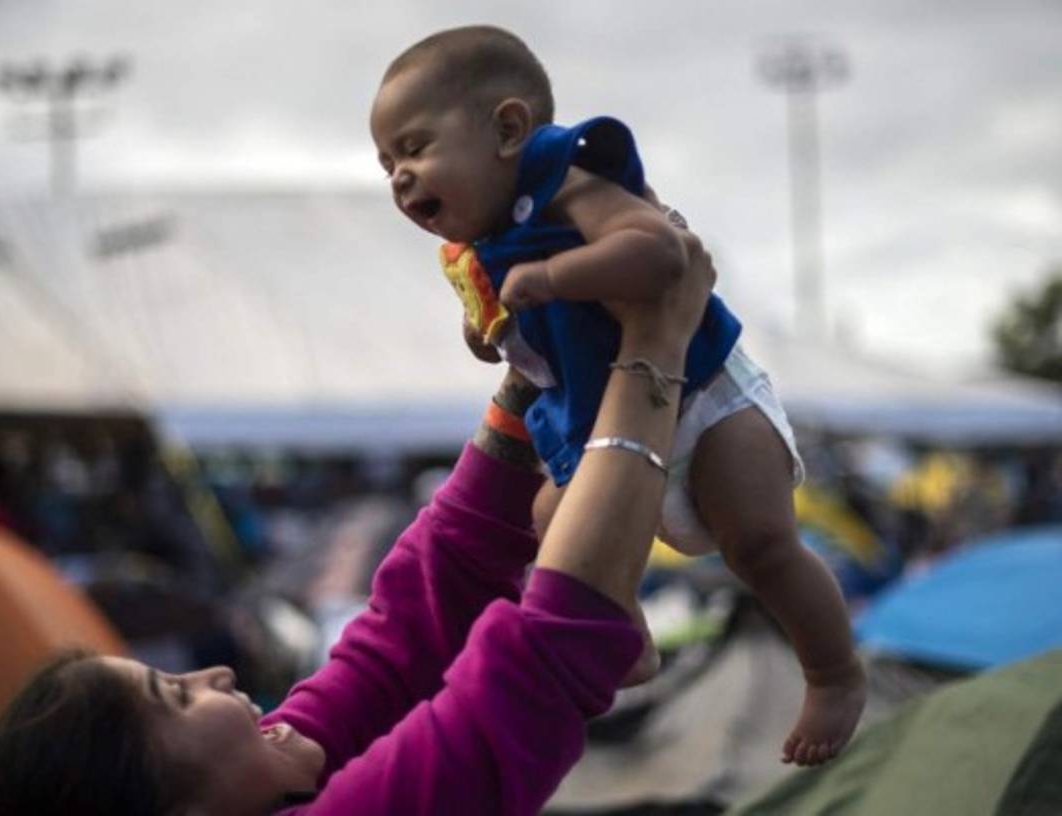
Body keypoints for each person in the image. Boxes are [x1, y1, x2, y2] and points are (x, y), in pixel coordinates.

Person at [0, 224, 716, 814]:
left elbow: (413, 621)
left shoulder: (271, 764)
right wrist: (655, 342)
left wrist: (533, 363)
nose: (217, 673)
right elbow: (542, 662)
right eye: (174, 697)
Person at [369, 24, 864, 765]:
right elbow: (511, 331)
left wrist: (557, 278)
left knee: (760, 546)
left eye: (414, 149)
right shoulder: (482, 247)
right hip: (607, 428)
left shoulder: (568, 183)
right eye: (385, 166)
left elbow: (660, 253)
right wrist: (490, 329)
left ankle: (833, 673)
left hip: (701, 397)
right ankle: (621, 634)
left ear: (507, 130)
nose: (400, 179)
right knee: (548, 521)